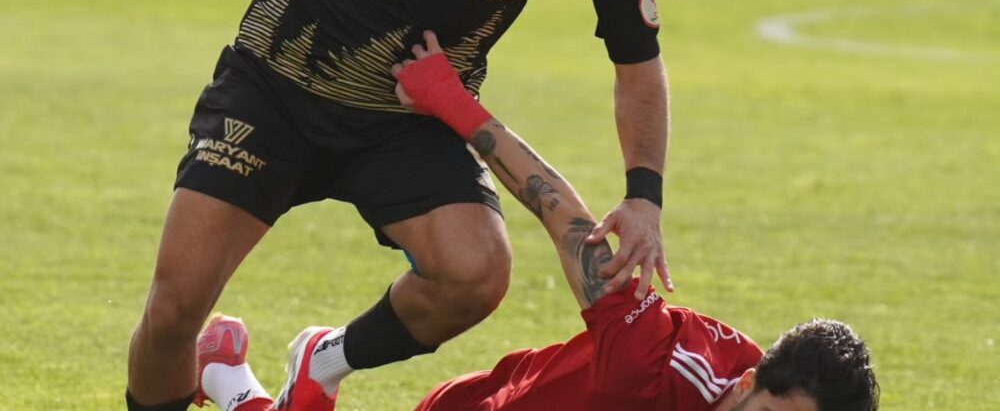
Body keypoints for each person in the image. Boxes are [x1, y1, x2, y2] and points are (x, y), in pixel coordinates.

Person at [126, 0, 671, 410]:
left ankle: (321, 361)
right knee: (174, 311)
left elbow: (637, 62)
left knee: (475, 273)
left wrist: (643, 195)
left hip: (410, 115)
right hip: (278, 86)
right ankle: (225, 380)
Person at [190, 33, 879, 411]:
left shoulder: (751, 379)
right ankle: (260, 373)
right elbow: (563, 217)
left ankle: (235, 372)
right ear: (747, 383)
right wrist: (451, 102)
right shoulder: (650, 366)